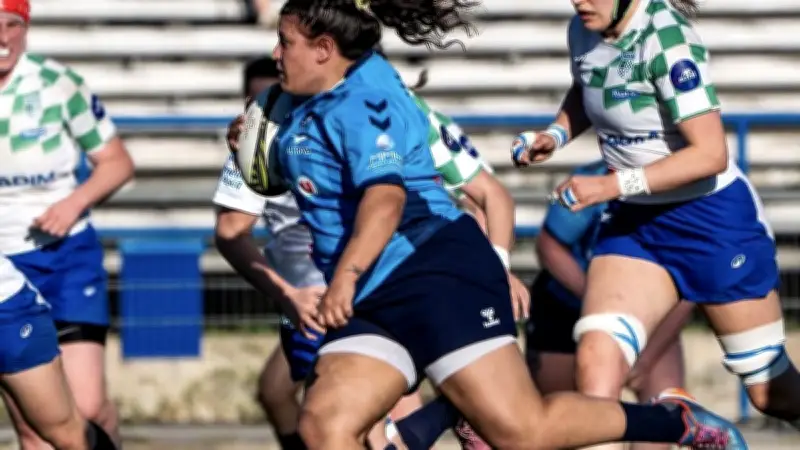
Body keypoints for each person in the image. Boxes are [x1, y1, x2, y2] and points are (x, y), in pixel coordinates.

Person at [245, 0, 746, 448]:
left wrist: (348, 276)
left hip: (429, 273)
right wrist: (256, 152)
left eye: (285, 42)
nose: (275, 53)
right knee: (325, 426)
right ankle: (447, 411)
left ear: (324, 49)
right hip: (368, 292)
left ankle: (674, 422)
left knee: (522, 432)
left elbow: (386, 199)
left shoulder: (365, 101)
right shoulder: (298, 101)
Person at [513, 0, 800, 442]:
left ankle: (689, 422)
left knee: (770, 393)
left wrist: (611, 185)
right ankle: (682, 426)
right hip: (636, 224)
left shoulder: (666, 38)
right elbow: (589, 87)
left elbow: (710, 154)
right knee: (596, 364)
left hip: (711, 221)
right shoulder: (584, 28)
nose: (578, 1)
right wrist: (555, 134)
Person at [216, 55, 526, 449]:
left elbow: (484, 197)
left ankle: (454, 410)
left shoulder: (404, 115)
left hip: (383, 288)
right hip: (319, 301)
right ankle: (451, 409)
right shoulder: (264, 132)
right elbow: (230, 230)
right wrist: (286, 294)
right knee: (308, 411)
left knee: (361, 425)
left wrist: (494, 269)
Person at [0, 1, 132, 448]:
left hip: (64, 258)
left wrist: (72, 204)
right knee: (34, 427)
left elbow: (117, 163)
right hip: (6, 269)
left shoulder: (56, 84)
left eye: (12, 24)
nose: (2, 37)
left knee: (88, 406)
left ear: (26, 27)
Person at [527, 160, 695, 450]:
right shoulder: (590, 179)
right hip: (567, 304)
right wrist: (598, 302)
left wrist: (647, 357)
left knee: (662, 410)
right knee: (560, 421)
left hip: (649, 307)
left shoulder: (687, 194)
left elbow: (692, 282)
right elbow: (549, 245)